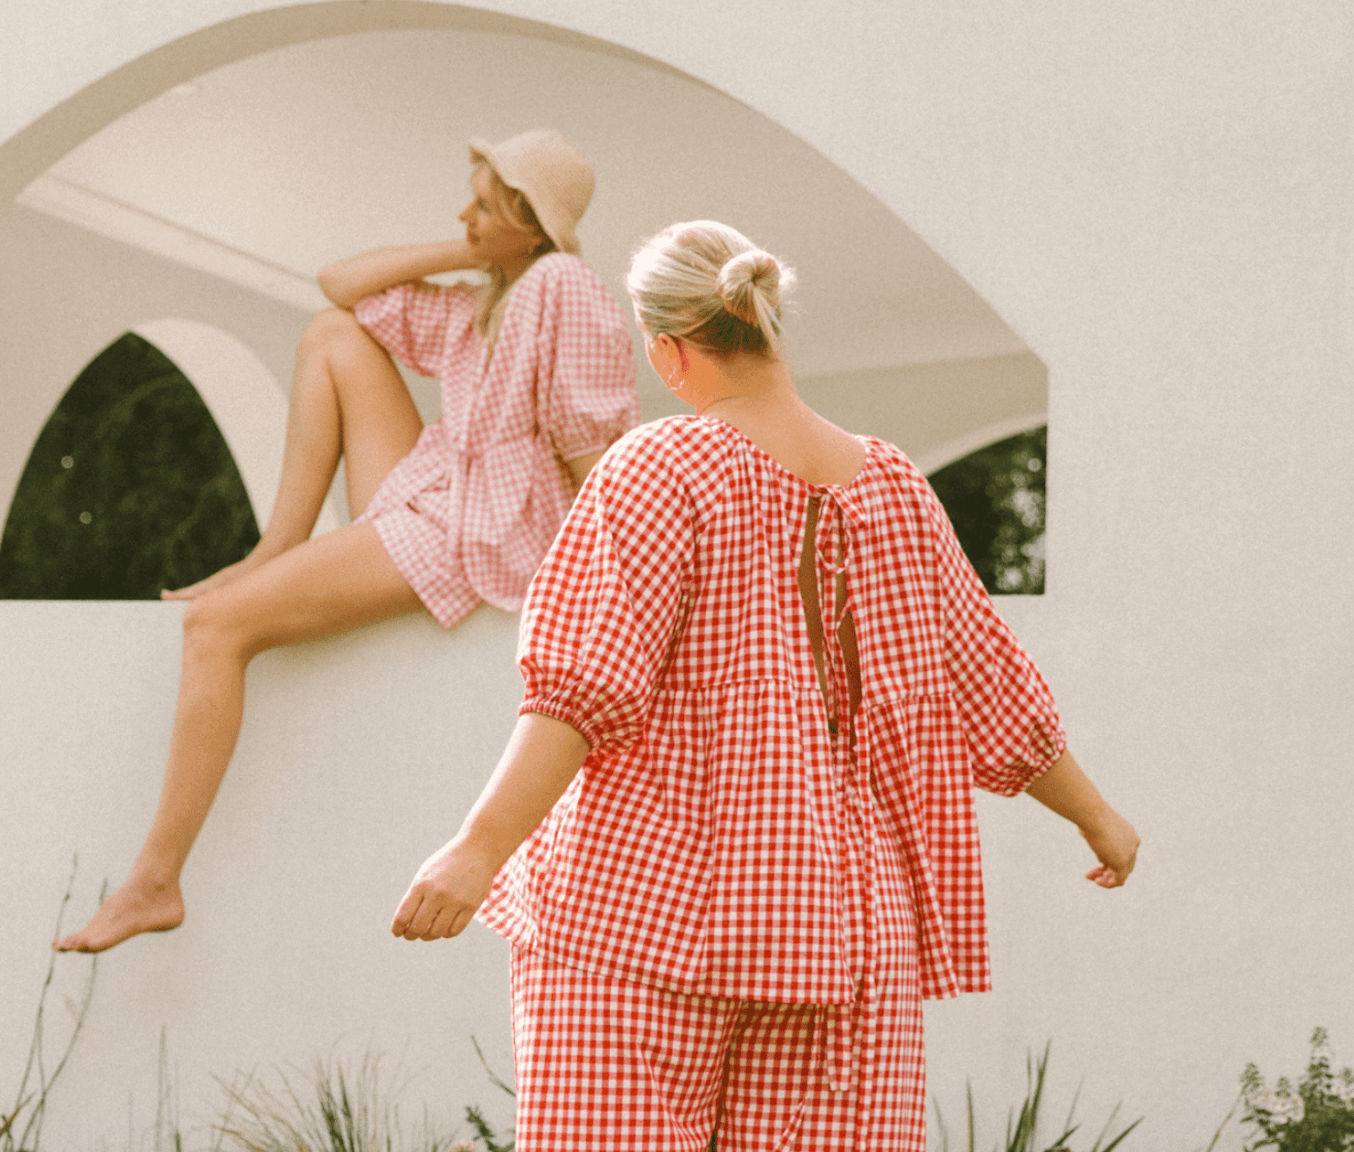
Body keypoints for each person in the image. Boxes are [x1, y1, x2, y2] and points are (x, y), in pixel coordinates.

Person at [391, 221, 1140, 1151]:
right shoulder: (898, 487)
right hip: (839, 923)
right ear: (769, 324)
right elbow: (991, 690)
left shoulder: (658, 466)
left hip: (643, 909)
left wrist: (478, 849)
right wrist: (1098, 817)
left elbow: (583, 688)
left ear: (668, 350)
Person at [54, 130, 639, 954]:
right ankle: (274, 548)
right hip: (438, 489)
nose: (463, 214)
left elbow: (592, 439)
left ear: (529, 220)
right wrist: (477, 252)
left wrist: (613, 576)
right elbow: (339, 286)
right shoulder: (488, 298)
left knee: (215, 626)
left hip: (482, 526)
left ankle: (155, 882)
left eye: (483, 204)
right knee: (332, 332)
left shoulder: (562, 285)